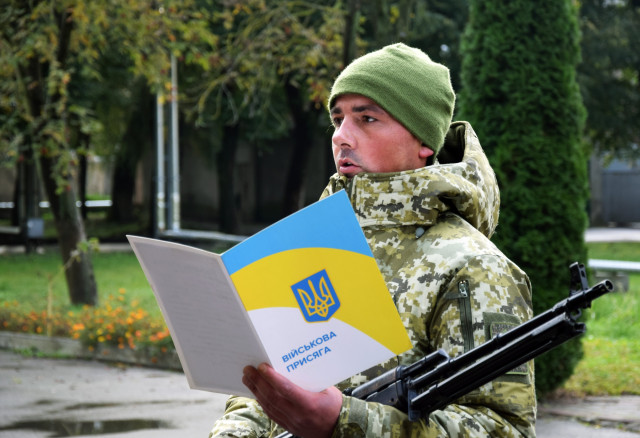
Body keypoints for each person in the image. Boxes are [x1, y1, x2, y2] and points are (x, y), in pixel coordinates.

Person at [210, 43, 536, 438]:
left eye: (366, 118)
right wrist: (235, 431)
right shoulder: (310, 243)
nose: (342, 137)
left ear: (423, 141)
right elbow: (267, 381)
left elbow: (503, 429)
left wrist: (345, 423)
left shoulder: (475, 267)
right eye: (337, 119)